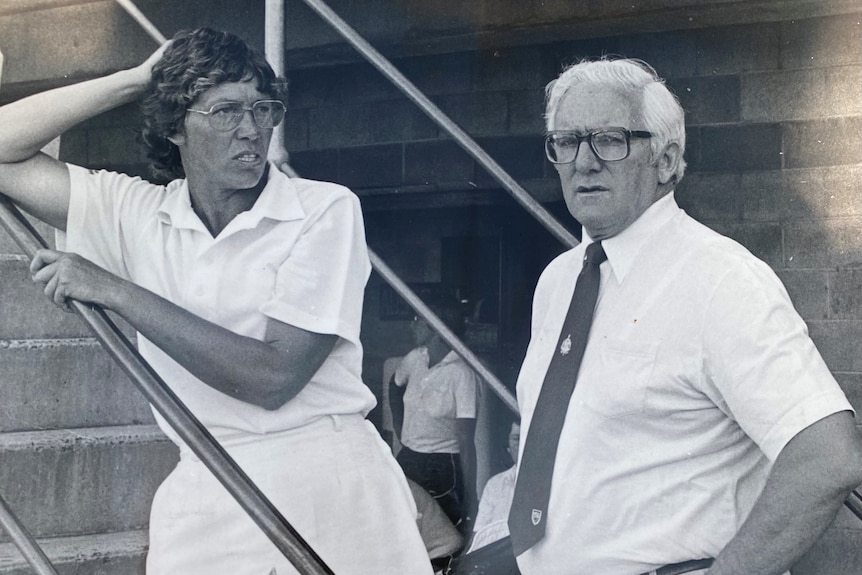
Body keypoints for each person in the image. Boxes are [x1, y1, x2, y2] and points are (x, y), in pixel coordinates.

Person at [0, 28, 432, 575]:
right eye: (225, 111)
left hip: (329, 485)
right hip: (205, 485)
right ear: (176, 125)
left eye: (262, 109)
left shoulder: (323, 209)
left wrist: (114, 290)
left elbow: (273, 377)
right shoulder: (136, 211)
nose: (251, 131)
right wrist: (135, 79)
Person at [507, 56, 862, 575]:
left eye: (610, 139)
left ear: (667, 160)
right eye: (566, 141)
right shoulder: (558, 280)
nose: (583, 162)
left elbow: (827, 456)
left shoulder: (720, 278)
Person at [393, 297, 479, 532]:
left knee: (440, 531)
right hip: (409, 457)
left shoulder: (462, 373)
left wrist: (469, 493)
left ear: (436, 328)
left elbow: (465, 440)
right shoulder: (414, 359)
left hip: (442, 465)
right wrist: (398, 425)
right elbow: (395, 384)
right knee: (401, 525)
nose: (412, 325)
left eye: (418, 319)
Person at [467, 420, 519, 553]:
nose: (522, 444)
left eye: (526, 437)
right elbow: (479, 534)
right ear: (508, 447)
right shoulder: (495, 484)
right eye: (516, 439)